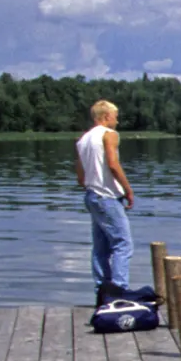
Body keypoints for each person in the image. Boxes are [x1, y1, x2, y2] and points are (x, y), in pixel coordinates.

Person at [75, 100, 136, 305]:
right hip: (108, 196)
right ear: (106, 116)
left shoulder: (82, 140)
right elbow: (113, 164)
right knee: (123, 244)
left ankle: (102, 291)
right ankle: (119, 291)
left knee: (100, 248)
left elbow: (80, 177)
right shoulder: (109, 135)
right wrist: (128, 190)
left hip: (91, 196)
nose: (117, 120)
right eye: (115, 115)